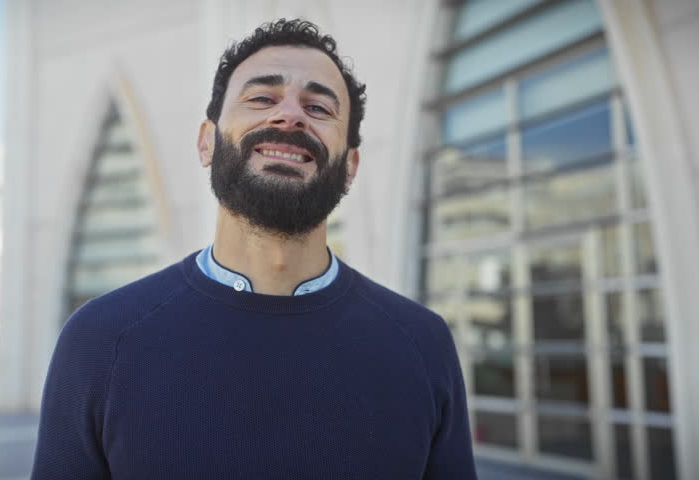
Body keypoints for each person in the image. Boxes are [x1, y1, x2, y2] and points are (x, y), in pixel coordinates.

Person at [31, 18, 477, 479]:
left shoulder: (423, 345)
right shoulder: (101, 340)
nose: (290, 115)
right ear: (207, 142)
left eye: (319, 107)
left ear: (350, 167)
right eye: (262, 98)